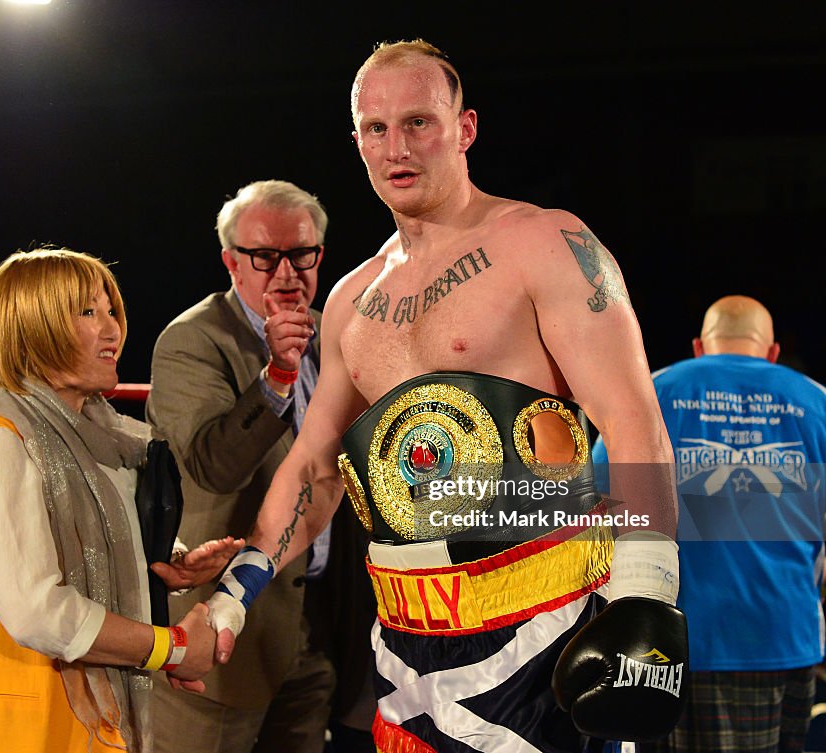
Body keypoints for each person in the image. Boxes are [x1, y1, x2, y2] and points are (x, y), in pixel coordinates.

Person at [204, 39, 690, 753]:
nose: (396, 147)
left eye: (418, 122)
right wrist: (231, 596)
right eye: (376, 128)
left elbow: (634, 421)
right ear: (358, 142)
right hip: (404, 647)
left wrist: (646, 590)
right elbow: (314, 468)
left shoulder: (544, 242)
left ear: (463, 128)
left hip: (544, 627)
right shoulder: (351, 300)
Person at [0, 247, 243, 753]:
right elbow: (37, 611)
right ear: (30, 328)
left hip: (91, 728)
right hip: (17, 733)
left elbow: (99, 546)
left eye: (111, 310)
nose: (113, 329)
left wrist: (169, 561)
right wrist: (172, 649)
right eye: (87, 312)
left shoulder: (101, 444)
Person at [146, 179, 376, 753]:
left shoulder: (339, 335)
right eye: (264, 256)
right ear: (231, 262)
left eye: (302, 254)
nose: (286, 272)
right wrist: (275, 376)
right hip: (219, 636)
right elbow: (211, 467)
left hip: (320, 623)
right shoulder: (191, 341)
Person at [593, 295, 826, 753]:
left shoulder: (653, 392)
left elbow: (598, 510)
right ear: (773, 351)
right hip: (783, 636)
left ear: (700, 346)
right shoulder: (816, 401)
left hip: (665, 644)